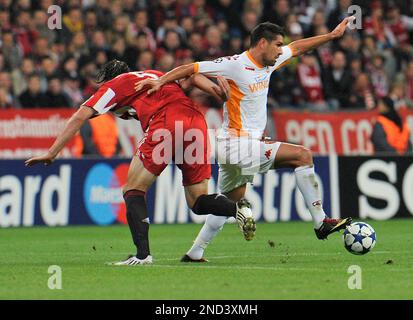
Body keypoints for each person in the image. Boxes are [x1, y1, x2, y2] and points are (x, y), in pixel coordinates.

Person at [136, 18, 355, 262]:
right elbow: (192, 68)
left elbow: (299, 47)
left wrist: (332, 35)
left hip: (234, 147)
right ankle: (320, 222)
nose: (281, 49)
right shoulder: (235, 64)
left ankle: (194, 252)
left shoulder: (271, 61)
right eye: (277, 44)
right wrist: (160, 80)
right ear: (262, 43)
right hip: (237, 144)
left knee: (229, 201)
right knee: (303, 155)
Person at [25, 60, 255, 266]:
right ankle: (239, 209)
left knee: (133, 189)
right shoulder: (153, 74)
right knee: (198, 201)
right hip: (196, 123)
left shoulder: (115, 85)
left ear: (108, 79)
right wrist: (215, 90)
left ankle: (143, 256)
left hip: (166, 122)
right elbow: (192, 75)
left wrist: (52, 152)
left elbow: (80, 115)